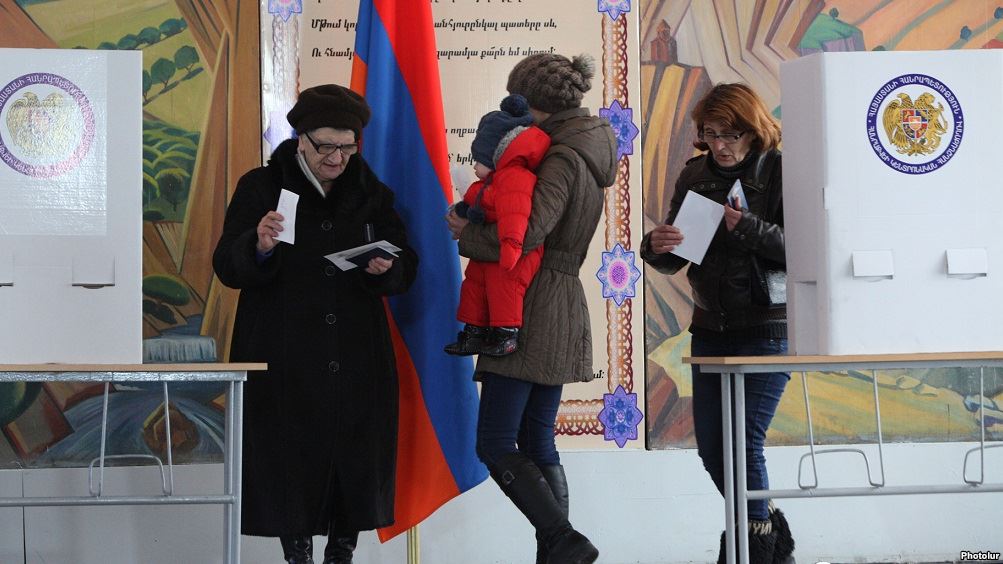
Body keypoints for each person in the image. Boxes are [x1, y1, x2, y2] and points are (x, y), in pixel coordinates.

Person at [212, 84, 418, 564]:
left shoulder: (372, 192)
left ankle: (342, 553)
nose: (337, 158)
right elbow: (227, 264)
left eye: (347, 146)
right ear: (301, 139)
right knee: (290, 463)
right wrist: (258, 246)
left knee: (354, 460)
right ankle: (297, 554)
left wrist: (388, 269)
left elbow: (407, 262)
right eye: (326, 146)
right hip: (285, 353)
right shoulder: (260, 187)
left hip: (355, 353)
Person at [446, 53, 616, 564]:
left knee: (496, 442)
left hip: (526, 301)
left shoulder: (562, 156)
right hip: (560, 298)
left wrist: (466, 232)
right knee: (537, 440)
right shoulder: (586, 148)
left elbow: (529, 230)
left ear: (535, 105)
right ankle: (559, 552)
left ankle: (564, 542)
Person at [639, 82, 795, 563]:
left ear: (751, 131)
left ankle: (752, 549)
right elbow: (677, 258)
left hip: (770, 325)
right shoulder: (694, 176)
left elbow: (804, 249)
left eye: (730, 135)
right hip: (710, 327)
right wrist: (656, 247)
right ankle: (770, 531)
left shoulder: (781, 169)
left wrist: (746, 227)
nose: (721, 146)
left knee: (743, 442)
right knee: (712, 447)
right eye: (711, 134)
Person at [443, 93, 550, 357]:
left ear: (496, 156)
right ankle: (474, 330)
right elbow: (476, 200)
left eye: (478, 160)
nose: (476, 166)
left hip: (513, 256)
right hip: (492, 251)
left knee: (504, 288)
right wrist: (461, 210)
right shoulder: (492, 181)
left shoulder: (515, 179)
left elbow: (515, 216)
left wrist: (511, 247)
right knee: (474, 283)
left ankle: (506, 332)